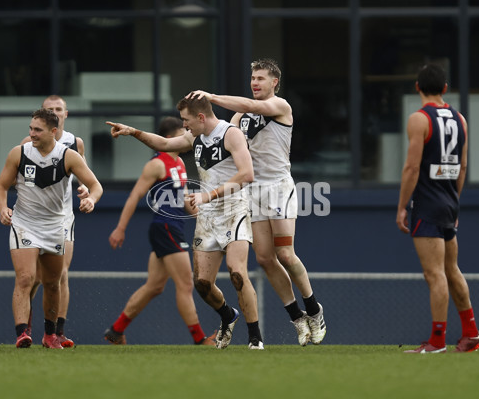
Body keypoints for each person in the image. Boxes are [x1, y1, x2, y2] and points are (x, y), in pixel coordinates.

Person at [107, 95, 265, 350]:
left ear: (201, 117)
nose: (184, 125)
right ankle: (227, 316)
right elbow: (162, 142)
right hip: (207, 216)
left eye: (186, 120)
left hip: (234, 209)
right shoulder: (194, 138)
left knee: (237, 272)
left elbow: (247, 174)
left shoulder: (230, 133)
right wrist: (132, 132)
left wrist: (208, 195)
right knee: (202, 284)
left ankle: (255, 337)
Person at [188, 58, 326, 346]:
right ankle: (297, 317)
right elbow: (220, 134)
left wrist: (211, 96)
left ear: (274, 82)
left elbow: (250, 106)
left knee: (285, 254)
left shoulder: (281, 106)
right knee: (264, 258)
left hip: (278, 187)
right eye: (253, 77)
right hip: (253, 189)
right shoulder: (239, 118)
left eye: (261, 78)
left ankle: (314, 309)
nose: (255, 82)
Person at [0, 108, 103, 349]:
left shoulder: (69, 156)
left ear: (53, 132)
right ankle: (22, 333)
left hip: (54, 225)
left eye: (37, 130)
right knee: (25, 278)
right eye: (31, 129)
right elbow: (1, 186)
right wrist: (3, 208)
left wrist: (91, 199)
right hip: (24, 223)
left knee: (53, 283)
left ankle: (50, 335)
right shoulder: (19, 154)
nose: (32, 134)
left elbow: (95, 185)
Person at [396, 64, 479, 354]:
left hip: (428, 203)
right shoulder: (461, 119)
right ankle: (471, 333)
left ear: (417, 87)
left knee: (434, 274)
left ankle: (437, 341)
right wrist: (454, 201)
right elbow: (463, 166)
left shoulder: (419, 119)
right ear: (445, 89)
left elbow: (411, 167)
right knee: (450, 269)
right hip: (448, 201)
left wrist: (401, 207)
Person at [104, 117, 215, 346]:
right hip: (165, 227)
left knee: (154, 286)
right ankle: (200, 339)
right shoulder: (157, 164)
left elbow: (184, 199)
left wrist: (203, 218)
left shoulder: (181, 164)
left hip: (171, 228)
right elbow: (135, 195)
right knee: (185, 284)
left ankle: (116, 331)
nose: (188, 136)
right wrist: (120, 228)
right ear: (168, 138)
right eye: (183, 133)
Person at [20, 95, 87, 348]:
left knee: (61, 275)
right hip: (34, 219)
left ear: (65, 114)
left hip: (63, 217)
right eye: (50, 109)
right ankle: (24, 326)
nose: (55, 112)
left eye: (59, 109)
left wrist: (86, 193)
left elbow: (84, 175)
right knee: (34, 277)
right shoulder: (29, 143)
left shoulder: (74, 143)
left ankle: (57, 332)